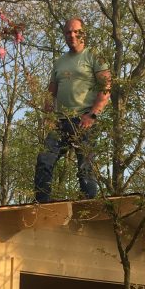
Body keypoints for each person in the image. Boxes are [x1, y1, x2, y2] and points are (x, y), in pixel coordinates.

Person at [34, 18, 111, 203]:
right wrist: (49, 116)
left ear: (84, 33)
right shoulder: (59, 62)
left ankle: (88, 205)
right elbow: (50, 93)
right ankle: (41, 204)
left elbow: (106, 86)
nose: (72, 35)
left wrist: (93, 114)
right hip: (60, 121)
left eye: (76, 31)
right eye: (68, 32)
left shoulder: (94, 57)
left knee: (85, 165)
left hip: (83, 119)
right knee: (45, 159)